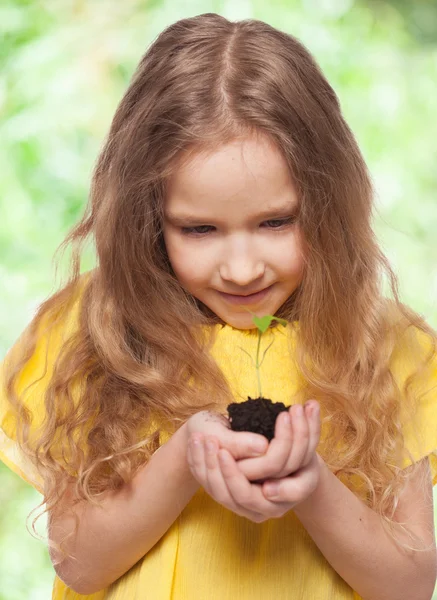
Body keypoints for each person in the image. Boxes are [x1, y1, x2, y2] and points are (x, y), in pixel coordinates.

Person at [1, 12, 436, 600]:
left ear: (329, 202)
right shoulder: (96, 328)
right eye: (200, 230)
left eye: (276, 222)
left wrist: (312, 486)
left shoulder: (382, 345)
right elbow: (79, 563)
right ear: (148, 219)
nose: (241, 268)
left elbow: (408, 586)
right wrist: (183, 460)